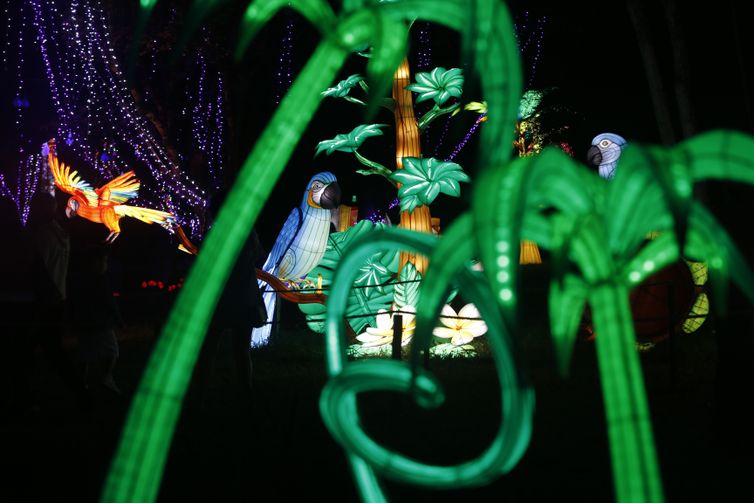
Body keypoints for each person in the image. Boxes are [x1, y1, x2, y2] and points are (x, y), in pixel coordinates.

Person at [68, 244, 123, 395]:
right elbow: (109, 302)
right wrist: (119, 320)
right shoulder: (100, 281)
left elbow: (74, 303)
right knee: (112, 351)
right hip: (101, 325)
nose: (105, 264)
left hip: (84, 324)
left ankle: (81, 384)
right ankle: (105, 377)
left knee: (85, 354)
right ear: (95, 263)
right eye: (103, 261)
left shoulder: (80, 281)